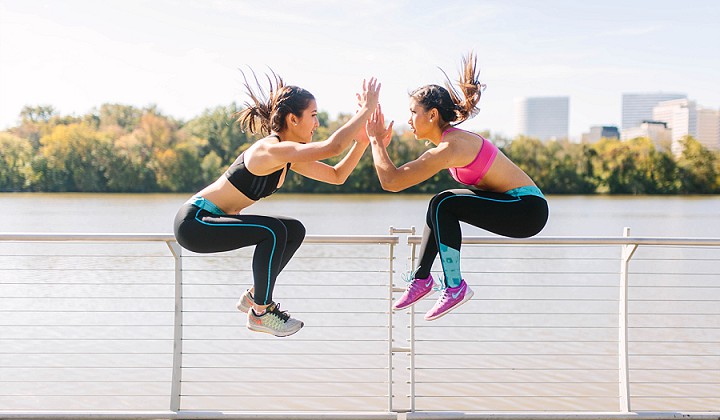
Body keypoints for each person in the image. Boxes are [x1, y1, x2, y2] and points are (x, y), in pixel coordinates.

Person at [174, 71, 380, 337]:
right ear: (293, 119)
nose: (316, 123)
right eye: (313, 115)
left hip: (209, 222)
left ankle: (254, 297)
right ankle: (261, 312)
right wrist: (365, 110)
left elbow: (336, 175)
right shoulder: (270, 150)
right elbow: (332, 147)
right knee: (273, 230)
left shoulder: (288, 156)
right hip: (196, 222)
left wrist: (362, 142)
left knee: (293, 229)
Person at [366, 52, 548, 321]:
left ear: (432, 115)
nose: (409, 119)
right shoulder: (449, 145)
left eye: (413, 112)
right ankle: (422, 279)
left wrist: (376, 141)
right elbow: (393, 180)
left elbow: (391, 182)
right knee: (438, 206)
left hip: (527, 210)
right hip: (516, 207)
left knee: (443, 202)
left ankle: (454, 286)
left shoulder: (451, 147)